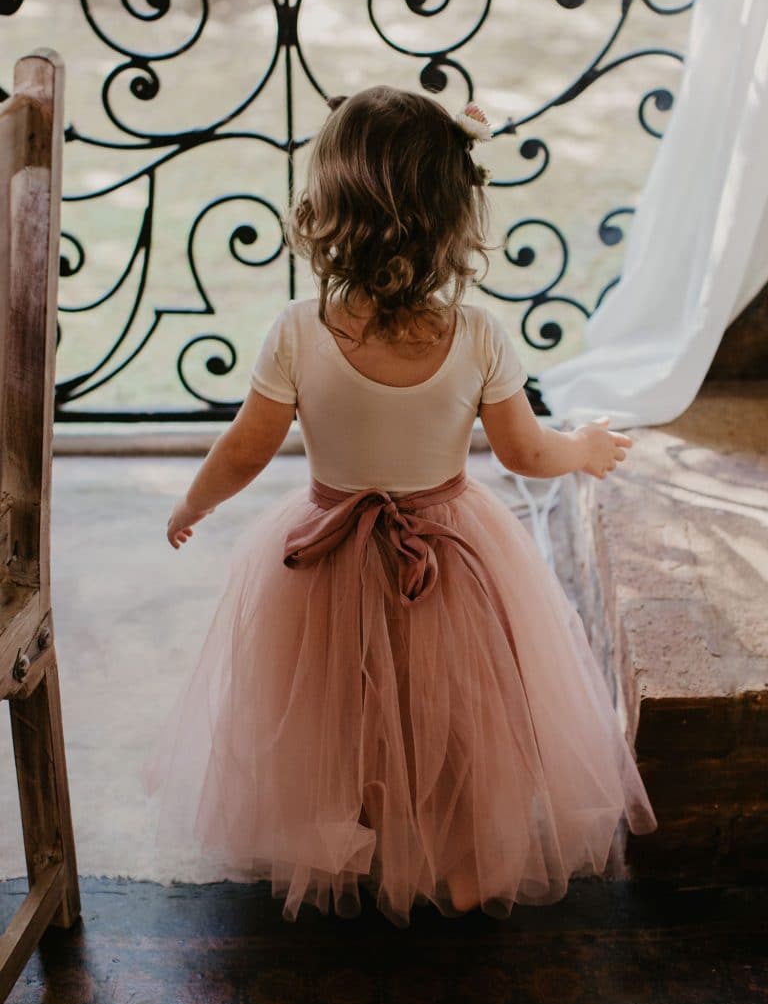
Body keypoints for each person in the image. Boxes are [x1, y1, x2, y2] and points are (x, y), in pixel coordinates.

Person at [142, 86, 657, 928]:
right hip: (452, 554)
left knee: (339, 707)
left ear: (326, 212)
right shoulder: (481, 335)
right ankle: (456, 860)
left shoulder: (298, 332)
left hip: (325, 554)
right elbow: (525, 452)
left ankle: (369, 839)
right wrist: (584, 451)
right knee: (453, 717)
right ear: (456, 218)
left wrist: (191, 502)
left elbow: (245, 446)